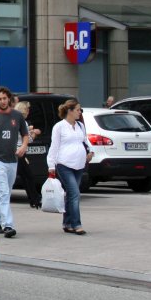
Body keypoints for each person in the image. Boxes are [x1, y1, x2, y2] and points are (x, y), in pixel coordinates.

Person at [0, 86, 30, 238]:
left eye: (4, 98)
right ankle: (8, 225)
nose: (2, 101)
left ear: (9, 98)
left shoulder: (17, 116)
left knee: (5, 193)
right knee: (3, 191)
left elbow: (25, 134)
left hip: (12, 159)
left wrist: (23, 146)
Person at [48, 98, 93, 235]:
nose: (80, 112)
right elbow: (54, 147)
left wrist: (91, 151)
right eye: (78, 110)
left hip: (79, 164)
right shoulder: (59, 127)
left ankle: (67, 223)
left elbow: (85, 140)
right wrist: (51, 166)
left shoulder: (80, 126)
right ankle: (76, 224)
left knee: (70, 195)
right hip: (64, 164)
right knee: (75, 193)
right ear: (70, 111)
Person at [14, 100, 43, 209]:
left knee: (25, 176)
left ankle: (34, 199)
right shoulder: (22, 121)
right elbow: (28, 139)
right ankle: (35, 199)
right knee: (28, 177)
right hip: (20, 152)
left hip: (14, 151)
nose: (29, 111)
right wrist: (34, 132)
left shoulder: (14, 120)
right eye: (28, 109)